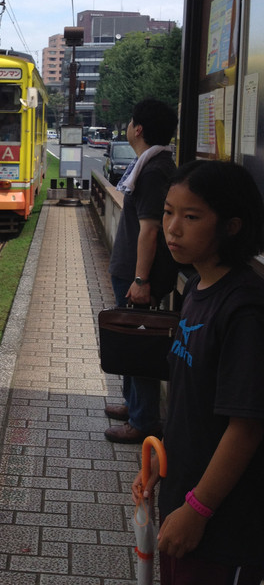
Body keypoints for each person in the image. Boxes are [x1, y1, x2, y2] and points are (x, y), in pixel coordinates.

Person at [132, 160, 264, 585]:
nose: (172, 228)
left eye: (191, 217)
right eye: (168, 212)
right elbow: (189, 397)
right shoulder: (196, 289)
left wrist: (198, 510)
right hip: (182, 493)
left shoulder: (244, 309)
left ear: (232, 226)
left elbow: (246, 427)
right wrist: (157, 463)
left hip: (222, 523)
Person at [105, 98, 178, 444]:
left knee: (139, 344)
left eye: (132, 121)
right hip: (132, 271)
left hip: (138, 275)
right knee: (131, 341)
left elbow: (150, 229)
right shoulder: (150, 164)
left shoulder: (153, 171)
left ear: (139, 129)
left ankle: (144, 420)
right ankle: (133, 405)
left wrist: (140, 280)